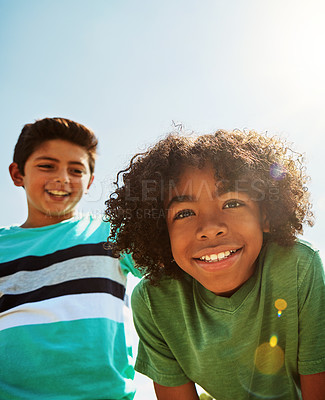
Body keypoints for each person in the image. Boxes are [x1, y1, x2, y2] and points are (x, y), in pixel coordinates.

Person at [105, 129, 325, 400]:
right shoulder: (154, 302)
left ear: (265, 216)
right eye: (184, 213)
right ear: (162, 232)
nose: (210, 228)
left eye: (232, 203)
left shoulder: (298, 266)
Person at [0, 117, 141, 400]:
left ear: (88, 182)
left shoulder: (112, 233)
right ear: (18, 174)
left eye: (76, 170)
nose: (63, 178)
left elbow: (179, 265)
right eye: (47, 165)